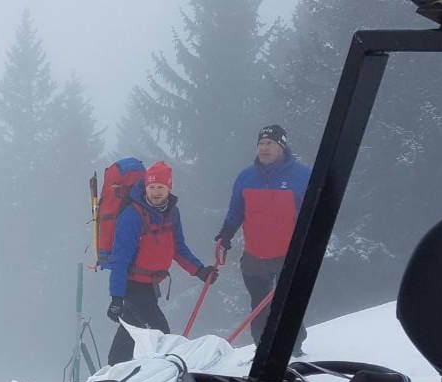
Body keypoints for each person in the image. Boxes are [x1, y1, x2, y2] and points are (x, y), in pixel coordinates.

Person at [103, 161, 216, 365]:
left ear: (169, 188)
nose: (156, 192)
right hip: (132, 284)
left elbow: (178, 248)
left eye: (161, 187)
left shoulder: (172, 213)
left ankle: (115, 371)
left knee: (132, 330)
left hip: (151, 285)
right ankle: (151, 371)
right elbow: (120, 259)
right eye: (152, 187)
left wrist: (199, 270)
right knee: (160, 333)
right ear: (145, 187)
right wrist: (116, 297)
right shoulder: (132, 216)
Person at [215, 124, 312, 354]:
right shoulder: (246, 177)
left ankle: (294, 350)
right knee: (259, 305)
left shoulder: (302, 176)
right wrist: (226, 234)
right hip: (255, 255)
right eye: (260, 143)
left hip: (289, 254)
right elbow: (236, 211)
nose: (264, 148)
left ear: (282, 146)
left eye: (270, 143)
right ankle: (262, 351)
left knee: (288, 302)